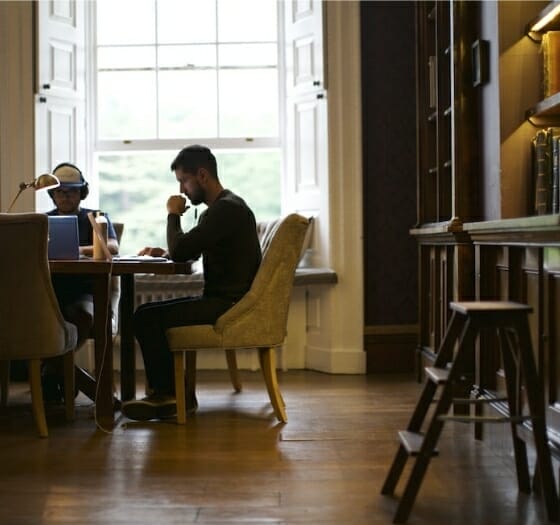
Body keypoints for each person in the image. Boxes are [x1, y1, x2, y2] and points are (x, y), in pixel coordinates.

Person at [121, 145, 262, 421]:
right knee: (145, 315)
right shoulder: (226, 207)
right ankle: (174, 394)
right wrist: (168, 251)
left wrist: (173, 214)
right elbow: (190, 249)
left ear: (202, 175)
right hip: (225, 300)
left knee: (145, 317)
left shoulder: (225, 210)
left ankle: (170, 396)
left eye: (183, 181)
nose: (182, 191)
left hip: (228, 305)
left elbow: (183, 252)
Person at [44, 162, 120, 402]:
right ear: (52, 194)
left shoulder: (95, 217)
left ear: (82, 193)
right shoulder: (40, 221)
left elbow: (112, 246)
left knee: (83, 316)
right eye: (60, 192)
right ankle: (63, 376)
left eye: (72, 191)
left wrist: (79, 249)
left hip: (86, 293)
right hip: (51, 293)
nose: (65, 196)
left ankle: (51, 371)